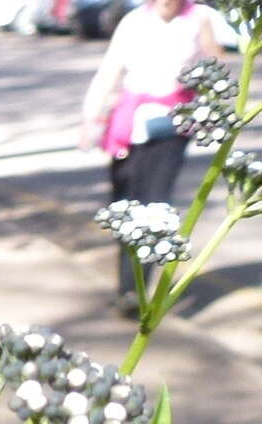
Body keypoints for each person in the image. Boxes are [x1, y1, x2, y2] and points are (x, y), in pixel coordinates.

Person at [79, 0, 225, 313]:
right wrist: (90, 117)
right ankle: (124, 287)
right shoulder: (133, 20)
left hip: (171, 125)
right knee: (124, 205)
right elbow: (110, 70)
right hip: (128, 122)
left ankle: (137, 292)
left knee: (153, 206)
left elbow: (216, 68)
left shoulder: (199, 18)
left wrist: (207, 105)